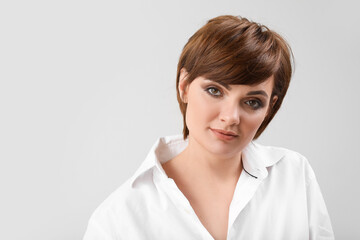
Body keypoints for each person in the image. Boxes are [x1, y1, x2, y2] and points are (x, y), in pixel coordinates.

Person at [83, 15, 335, 240]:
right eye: (215, 91)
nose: (231, 117)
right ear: (184, 85)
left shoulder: (293, 176)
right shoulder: (118, 218)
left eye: (252, 102)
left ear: (270, 106)